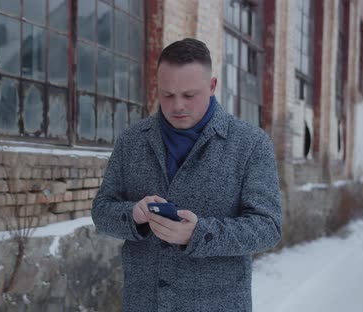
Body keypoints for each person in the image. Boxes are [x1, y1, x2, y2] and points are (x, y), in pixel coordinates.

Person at [91, 38, 282, 312]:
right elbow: (101, 211)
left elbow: (267, 227)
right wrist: (133, 215)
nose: (177, 105)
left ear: (213, 86)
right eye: (167, 95)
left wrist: (198, 234)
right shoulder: (131, 141)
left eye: (189, 95)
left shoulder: (251, 143)